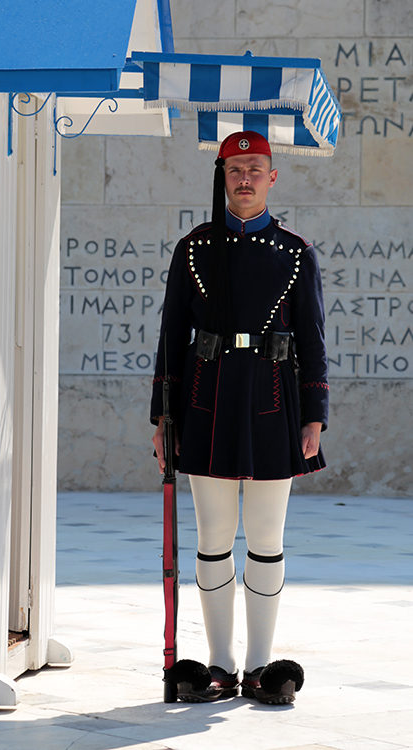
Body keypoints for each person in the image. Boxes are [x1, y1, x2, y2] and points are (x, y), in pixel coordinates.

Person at [151, 131, 328, 704]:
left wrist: (314, 416)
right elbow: (173, 336)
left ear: (273, 177)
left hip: (274, 401)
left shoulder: (296, 252)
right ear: (221, 177)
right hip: (206, 400)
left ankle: (259, 664)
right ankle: (221, 663)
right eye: (234, 170)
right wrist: (163, 417)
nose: (245, 179)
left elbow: (313, 340)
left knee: (268, 540)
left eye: (255, 169)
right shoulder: (194, 248)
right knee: (212, 539)